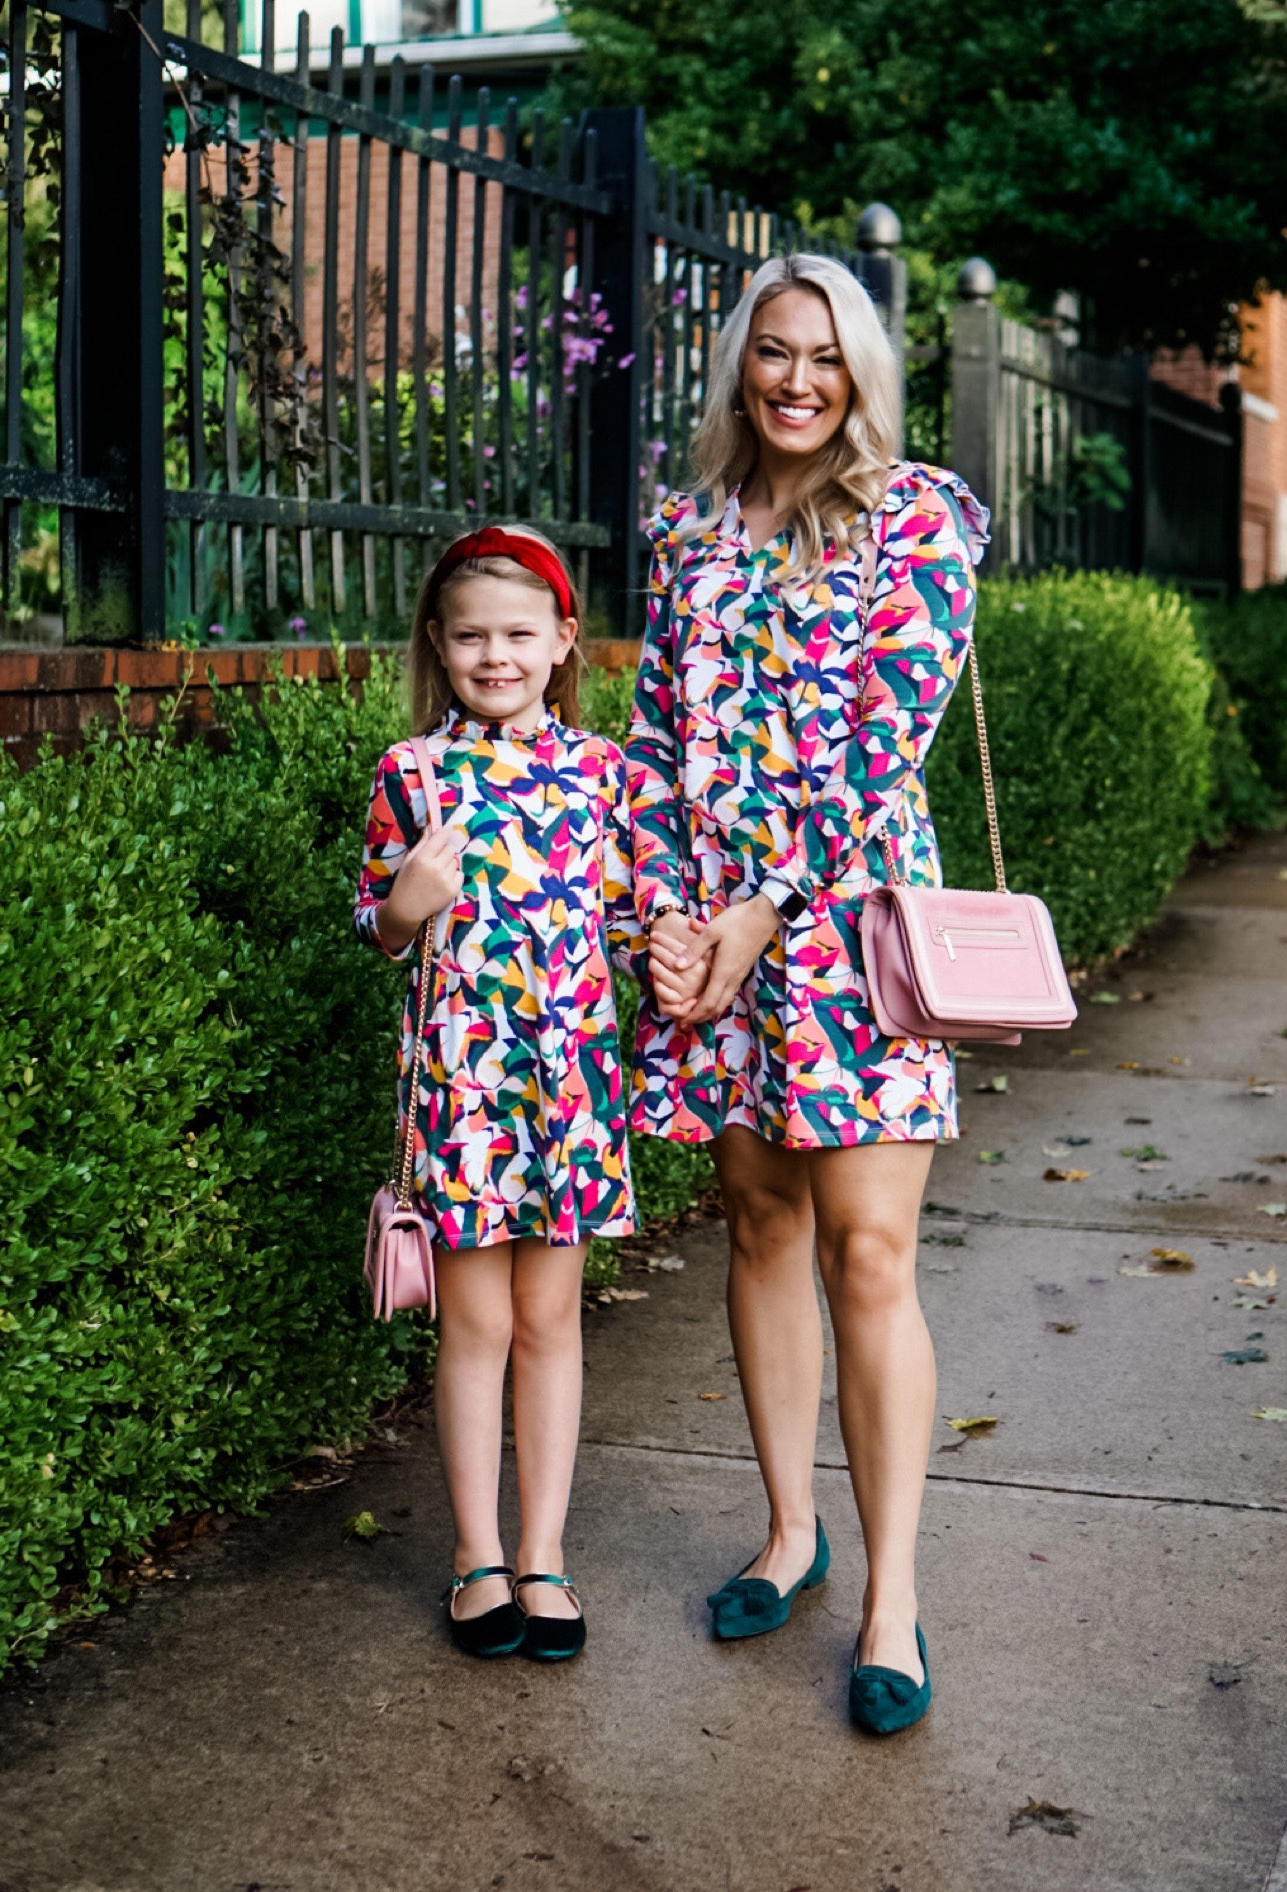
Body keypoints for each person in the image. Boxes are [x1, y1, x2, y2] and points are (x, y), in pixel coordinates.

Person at [626, 254, 989, 1734]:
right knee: (761, 1223)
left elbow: (879, 747)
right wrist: (662, 915)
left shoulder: (917, 518)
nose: (794, 381)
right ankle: (790, 1532)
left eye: (823, 359)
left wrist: (757, 915)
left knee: (870, 1254)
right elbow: (651, 739)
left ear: (861, 376)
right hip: (715, 936)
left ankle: (892, 1596)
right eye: (772, 354)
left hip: (847, 934)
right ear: (739, 366)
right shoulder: (688, 531)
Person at [354, 526, 642, 1664]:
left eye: (520, 633)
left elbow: (624, 922)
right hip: (464, 1093)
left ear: (563, 641)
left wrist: (672, 943)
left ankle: (544, 1554)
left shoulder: (604, 773)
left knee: (549, 1321)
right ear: (437, 640)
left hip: (568, 1086)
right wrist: (408, 902)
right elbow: (375, 931)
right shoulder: (411, 772)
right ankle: (477, 1555)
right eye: (470, 633)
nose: (495, 654)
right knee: (474, 1322)